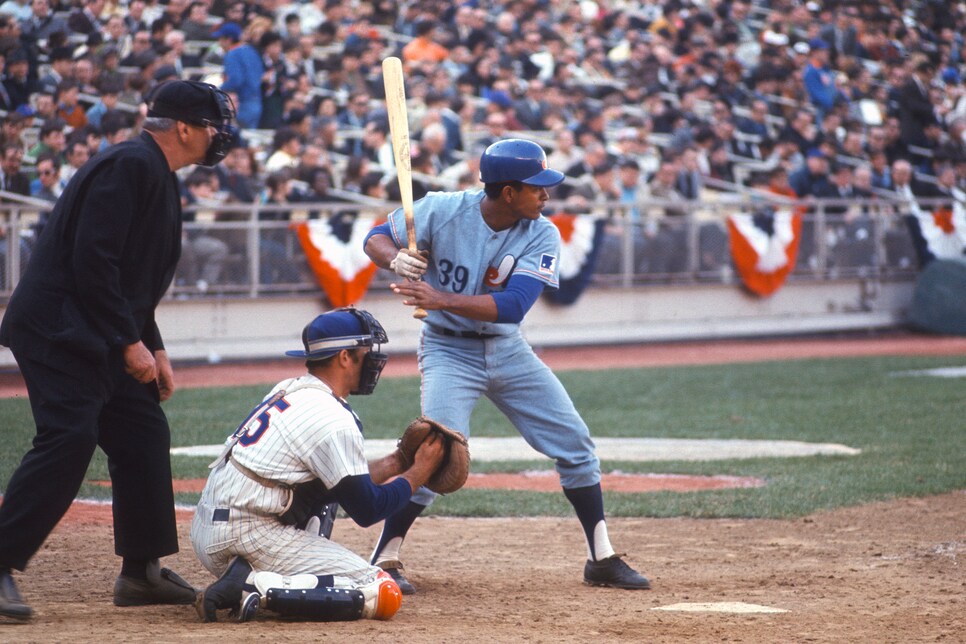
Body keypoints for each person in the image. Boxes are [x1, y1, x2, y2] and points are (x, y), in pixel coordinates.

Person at [362, 138, 651, 594]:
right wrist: (393, 258)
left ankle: (601, 557)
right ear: (508, 191)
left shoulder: (542, 232)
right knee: (437, 452)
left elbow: (513, 305)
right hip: (447, 349)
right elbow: (374, 237)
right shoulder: (442, 208)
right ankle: (386, 556)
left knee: (576, 445)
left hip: (508, 349)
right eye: (537, 187)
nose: (546, 195)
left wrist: (439, 297)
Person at [0, 79, 237, 621]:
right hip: (60, 329)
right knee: (69, 436)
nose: (218, 136)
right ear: (182, 128)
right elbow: (94, 261)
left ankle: (141, 572)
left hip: (96, 329)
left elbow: (132, 280)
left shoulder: (153, 170)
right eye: (211, 127)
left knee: (142, 431)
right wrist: (129, 342)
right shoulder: (131, 165)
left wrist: (155, 347)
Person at [190, 308, 445, 622]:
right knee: (380, 589)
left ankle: (247, 573)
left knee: (328, 496)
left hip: (210, 527)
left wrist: (397, 463)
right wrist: (419, 472)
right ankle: (250, 585)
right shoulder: (334, 418)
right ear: (344, 357)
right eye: (366, 351)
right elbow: (367, 509)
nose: (374, 360)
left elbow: (339, 484)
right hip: (247, 533)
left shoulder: (291, 388)